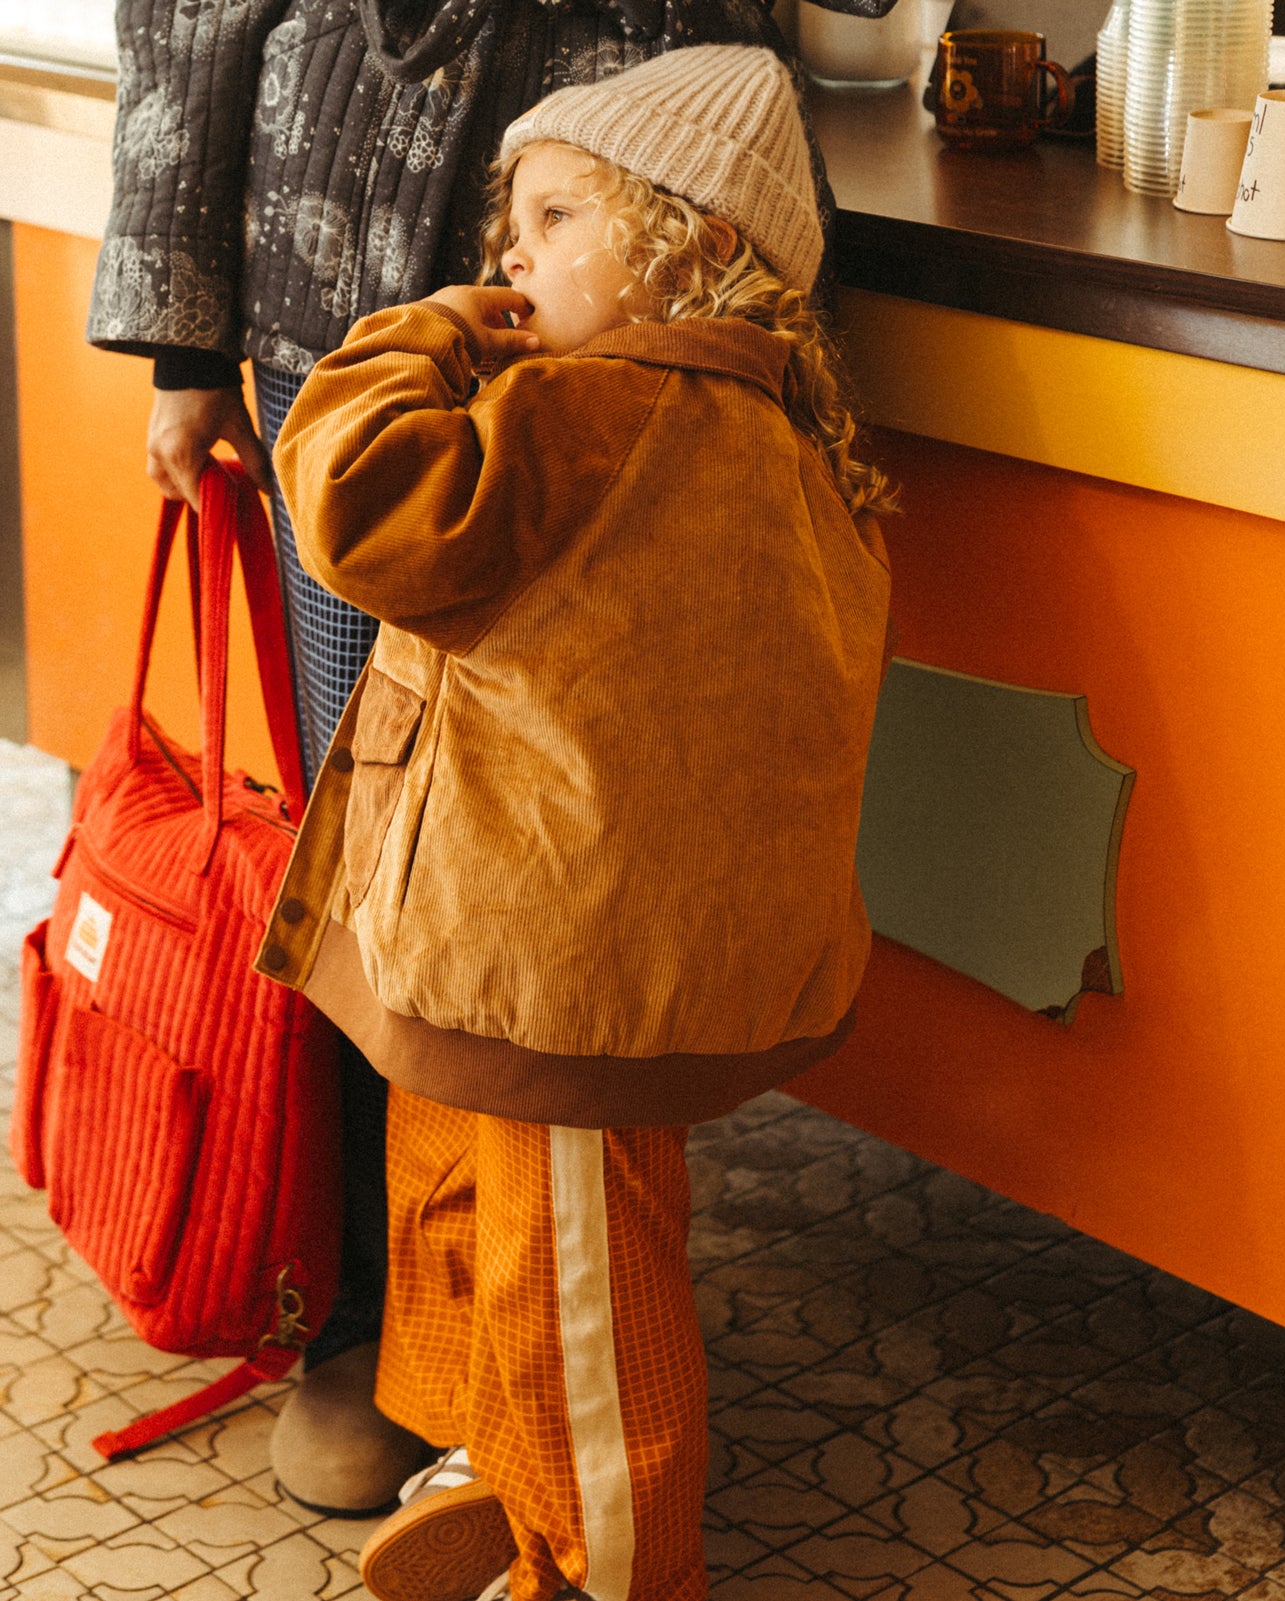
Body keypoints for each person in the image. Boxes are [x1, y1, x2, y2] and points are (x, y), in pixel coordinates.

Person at [86, 0, 898, 1517]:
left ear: (682, 240)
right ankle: (454, 1394)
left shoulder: (582, 418)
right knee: (468, 1100)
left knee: (553, 1195)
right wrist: (180, 331)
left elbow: (374, 500)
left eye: (547, 226)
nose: (512, 253)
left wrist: (425, 332)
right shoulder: (770, 425)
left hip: (550, 962)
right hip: (354, 197)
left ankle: (584, 1519)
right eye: (510, 233)